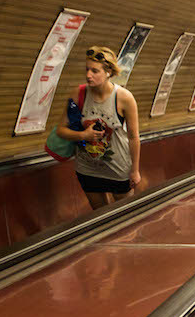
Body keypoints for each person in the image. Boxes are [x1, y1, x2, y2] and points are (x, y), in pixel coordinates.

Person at [56, 47, 141, 210]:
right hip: (87, 170)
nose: (88, 75)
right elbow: (61, 130)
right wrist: (83, 135)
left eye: (95, 71)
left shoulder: (124, 98)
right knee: (100, 217)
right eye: (87, 69)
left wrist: (135, 170)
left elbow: (133, 137)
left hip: (118, 170)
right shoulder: (78, 94)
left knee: (124, 216)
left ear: (108, 72)